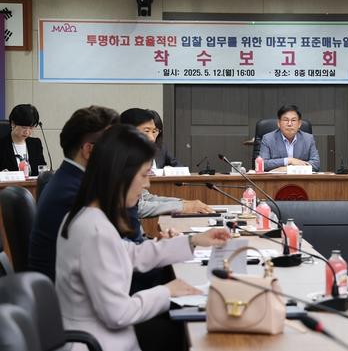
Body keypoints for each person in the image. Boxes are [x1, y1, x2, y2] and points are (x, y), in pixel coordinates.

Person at [55, 124, 231, 351]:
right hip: (101, 341)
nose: (147, 184)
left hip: (102, 334)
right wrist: (167, 291)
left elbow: (131, 254)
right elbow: (118, 314)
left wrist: (193, 241)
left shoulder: (86, 215)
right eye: (144, 175)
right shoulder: (95, 230)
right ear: (120, 175)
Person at [28, 106, 120, 281]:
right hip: (70, 291)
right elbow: (111, 258)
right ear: (88, 150)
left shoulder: (68, 179)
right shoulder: (75, 194)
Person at [120, 108, 212, 215]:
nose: (152, 138)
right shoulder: (117, 160)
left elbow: (145, 198)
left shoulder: (133, 158)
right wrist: (182, 207)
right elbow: (138, 207)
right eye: (146, 131)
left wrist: (184, 203)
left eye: (154, 131)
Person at [259, 104, 320, 172]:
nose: (289, 124)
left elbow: (316, 164)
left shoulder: (308, 139)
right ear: (279, 123)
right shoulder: (268, 139)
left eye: (293, 120)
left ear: (299, 124)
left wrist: (288, 169)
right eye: (286, 120)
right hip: (277, 178)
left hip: (300, 178)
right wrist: (289, 160)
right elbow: (263, 164)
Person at [0, 104, 46, 176]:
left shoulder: (35, 144)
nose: (27, 132)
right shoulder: (2, 145)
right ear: (13, 124)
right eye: (24, 127)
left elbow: (41, 169)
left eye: (31, 128)